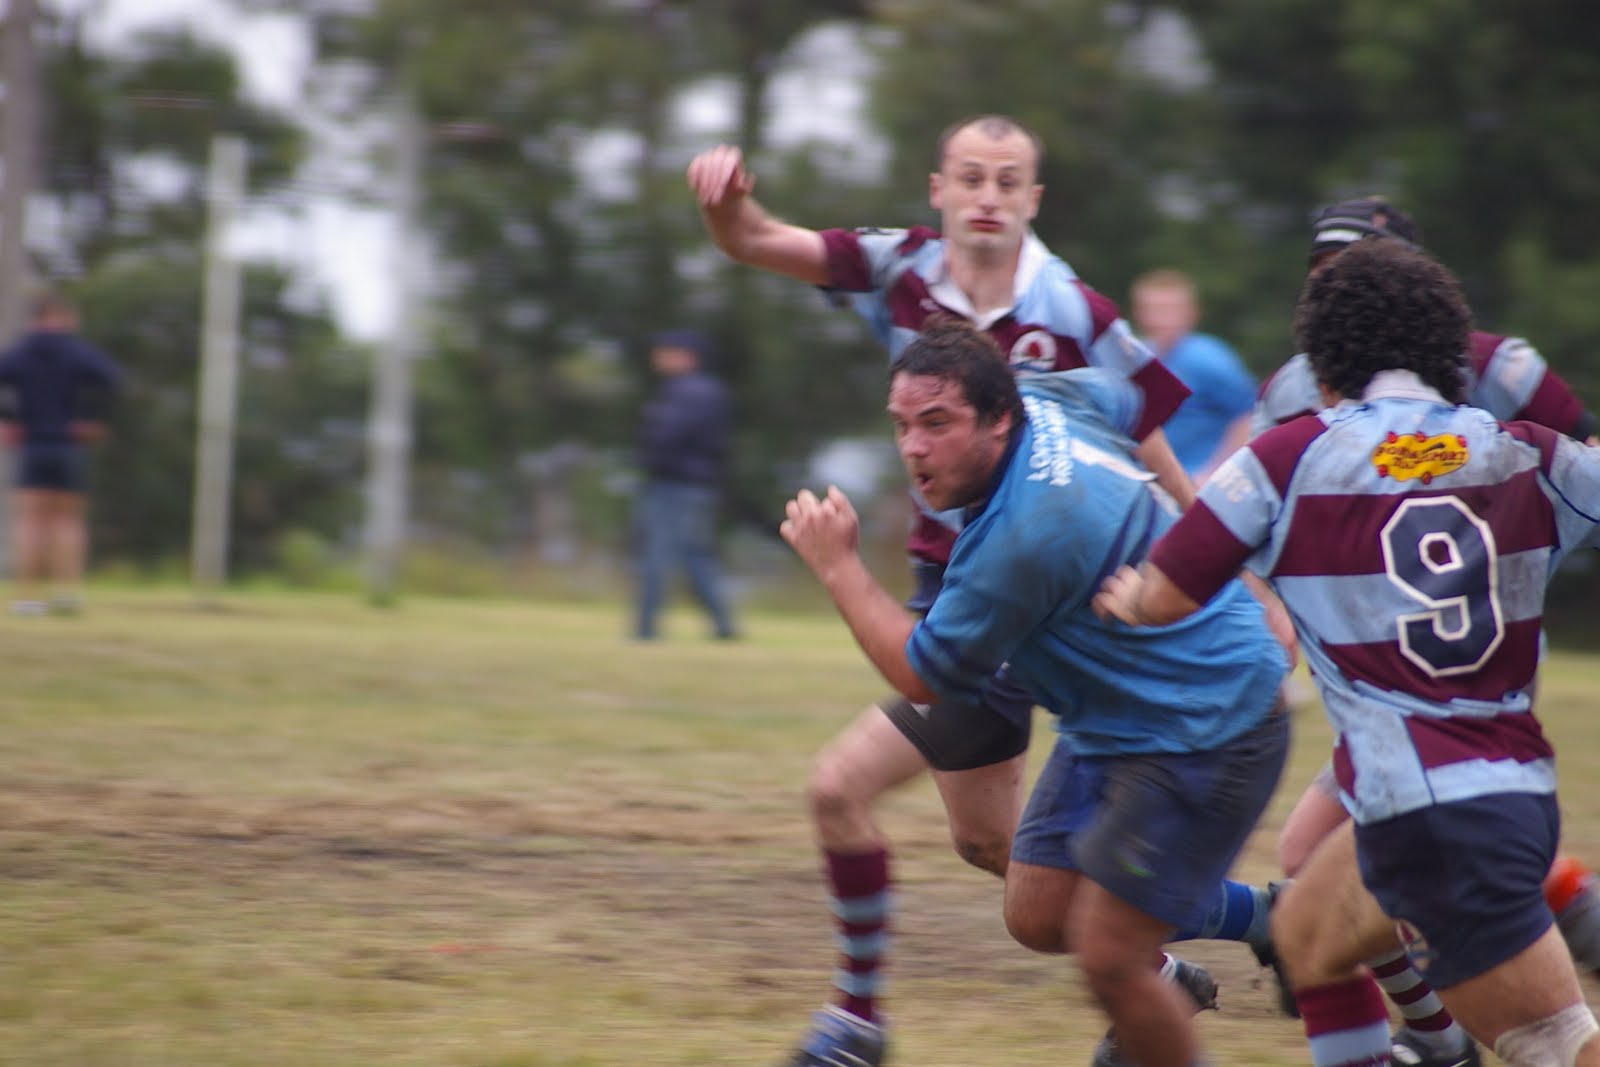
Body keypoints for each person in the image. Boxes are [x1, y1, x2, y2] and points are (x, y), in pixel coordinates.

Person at [688, 115, 1250, 1066]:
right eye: (971, 178)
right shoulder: (898, 267)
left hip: (1039, 597)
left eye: (1007, 181)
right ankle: (1226, 937)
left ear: (1034, 200)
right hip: (953, 585)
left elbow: (1142, 431)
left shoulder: (1072, 309)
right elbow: (751, 240)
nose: (988, 197)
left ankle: (856, 1020)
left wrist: (1207, 554)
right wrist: (725, 203)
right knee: (997, 850)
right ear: (938, 190)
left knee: (839, 787)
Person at [1093, 237, 1600, 1067]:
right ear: (1448, 354)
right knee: (1304, 933)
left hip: (1423, 813)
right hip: (1509, 796)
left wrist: (1130, 598)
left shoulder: (1287, 459)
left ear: (1323, 366)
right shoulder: (1529, 452)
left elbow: (1171, 589)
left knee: (1554, 1044)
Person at [780, 317, 1290, 1067]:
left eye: (937, 423)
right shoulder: (1046, 396)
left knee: (1109, 955)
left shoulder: (1023, 535)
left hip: (1205, 725)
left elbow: (922, 675)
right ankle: (1273, 919)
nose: (914, 447)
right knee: (1038, 910)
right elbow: (1130, 406)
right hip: (1111, 721)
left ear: (997, 419)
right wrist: (1194, 538)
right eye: (903, 426)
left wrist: (839, 566)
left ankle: (1176, 1000)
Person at [1242, 197, 1600, 1067]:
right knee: (1311, 894)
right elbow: (1258, 524)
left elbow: (1582, 449)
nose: (1339, 281)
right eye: (1323, 268)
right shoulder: (1291, 390)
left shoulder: (1500, 367)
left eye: (1360, 262)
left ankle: (1526, 929)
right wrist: (1274, 610)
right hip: (1388, 693)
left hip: (1462, 679)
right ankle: (1448, 1025)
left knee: (1550, 1035)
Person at [0, 290, 123, 616]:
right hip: (69, 445)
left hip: (32, 444)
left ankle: (27, 598)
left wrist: (9, 420)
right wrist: (92, 419)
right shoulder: (76, 352)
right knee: (68, 521)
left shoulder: (20, 352)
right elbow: (113, 380)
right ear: (63, 317)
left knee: (30, 522)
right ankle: (66, 595)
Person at [631, 329, 737, 641]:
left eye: (666, 351)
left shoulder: (689, 392)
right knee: (694, 556)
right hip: (695, 483)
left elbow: (668, 435)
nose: (657, 357)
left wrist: (649, 456)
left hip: (675, 483)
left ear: (687, 357)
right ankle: (723, 625)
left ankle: (646, 629)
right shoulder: (702, 390)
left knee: (657, 554)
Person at [1129, 268, 1257, 482]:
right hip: (1151, 481)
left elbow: (1247, 417)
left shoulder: (1209, 358)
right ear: (1138, 313)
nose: (1162, 318)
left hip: (1197, 481)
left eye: (1170, 310)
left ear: (1191, 312)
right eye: (1154, 309)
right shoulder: (1135, 357)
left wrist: (1215, 473)